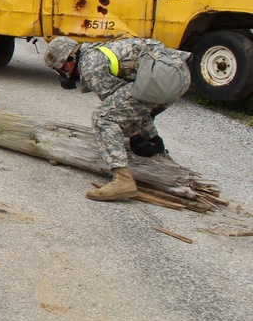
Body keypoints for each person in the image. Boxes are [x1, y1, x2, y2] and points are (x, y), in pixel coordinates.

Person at [43, 36, 189, 202]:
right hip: (178, 75)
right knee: (133, 108)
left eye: (60, 69)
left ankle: (123, 180)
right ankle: (159, 155)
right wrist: (150, 138)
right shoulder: (97, 51)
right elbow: (132, 106)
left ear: (67, 64)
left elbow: (121, 113)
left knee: (103, 118)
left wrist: (135, 135)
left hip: (159, 81)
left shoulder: (91, 67)